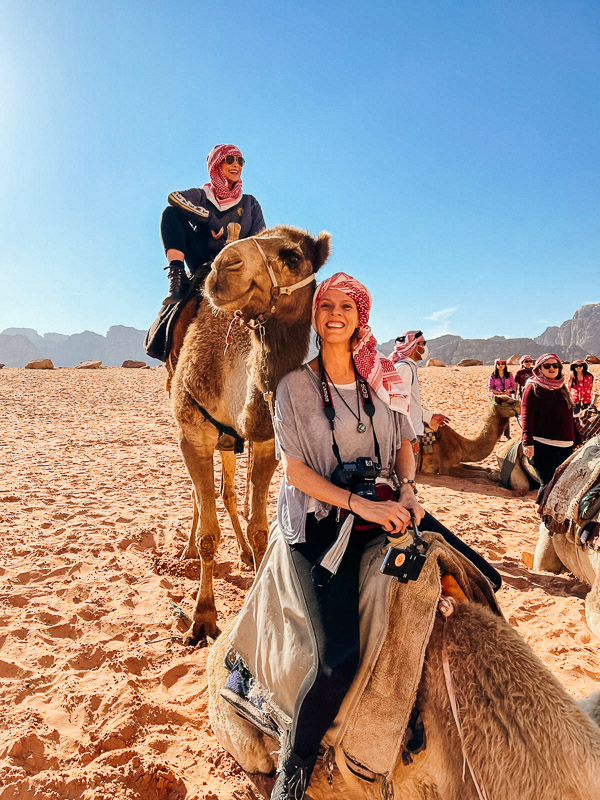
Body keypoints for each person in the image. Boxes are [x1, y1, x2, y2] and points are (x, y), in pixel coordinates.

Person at [272, 273, 424, 799]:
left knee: (456, 588)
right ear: (314, 318)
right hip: (318, 523)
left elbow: (405, 446)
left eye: (346, 306)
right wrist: (360, 504)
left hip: (382, 512)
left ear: (361, 316)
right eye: (325, 307)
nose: (335, 314)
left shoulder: (385, 379)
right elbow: (296, 473)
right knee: (337, 660)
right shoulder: (293, 386)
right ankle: (295, 759)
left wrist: (407, 491)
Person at [160, 143, 266, 304]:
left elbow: (260, 239)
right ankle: (177, 279)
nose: (236, 164)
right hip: (203, 261)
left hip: (238, 266)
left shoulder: (250, 203)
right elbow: (174, 197)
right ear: (216, 164)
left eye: (240, 161)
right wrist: (210, 219)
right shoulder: (203, 196)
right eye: (230, 159)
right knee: (170, 213)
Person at [521, 353, 581, 502]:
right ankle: (543, 517)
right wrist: (527, 443)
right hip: (543, 445)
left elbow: (568, 415)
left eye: (555, 365)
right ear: (539, 368)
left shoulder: (561, 387)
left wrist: (578, 438)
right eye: (547, 366)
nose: (551, 368)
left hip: (566, 446)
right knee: (548, 483)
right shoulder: (533, 387)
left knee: (562, 483)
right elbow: (527, 416)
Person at [390, 331, 450, 459]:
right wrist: (408, 437)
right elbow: (398, 406)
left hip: (412, 433)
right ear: (414, 346)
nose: (424, 348)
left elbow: (412, 405)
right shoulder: (404, 368)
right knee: (406, 477)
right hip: (407, 437)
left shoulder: (410, 367)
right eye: (423, 344)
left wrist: (430, 416)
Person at [488, 358, 517, 439]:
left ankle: (507, 435)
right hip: (496, 398)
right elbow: (490, 388)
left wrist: (509, 390)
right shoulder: (493, 375)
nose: (501, 366)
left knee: (506, 416)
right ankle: (497, 435)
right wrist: (499, 393)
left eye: (502, 364)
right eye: (499, 364)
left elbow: (513, 386)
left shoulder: (509, 375)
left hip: (506, 398)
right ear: (496, 365)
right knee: (497, 416)